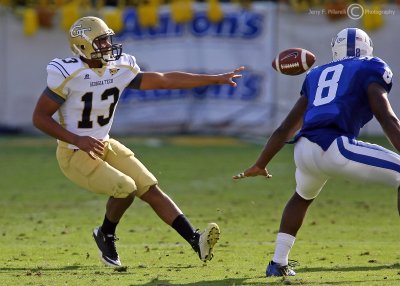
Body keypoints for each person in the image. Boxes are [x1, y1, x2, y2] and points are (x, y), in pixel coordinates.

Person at [32, 16, 244, 267]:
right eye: (101, 41)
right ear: (83, 46)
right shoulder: (69, 72)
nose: (109, 45)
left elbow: (164, 80)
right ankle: (105, 234)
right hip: (74, 151)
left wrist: (212, 79)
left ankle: (195, 240)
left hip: (103, 143)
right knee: (125, 187)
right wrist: (78, 139)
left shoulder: (119, 67)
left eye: (108, 39)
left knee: (148, 186)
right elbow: (39, 118)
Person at [233, 27, 400, 277]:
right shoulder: (371, 66)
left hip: (303, 150)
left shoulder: (316, 74)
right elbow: (386, 117)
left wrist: (260, 163)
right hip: (334, 146)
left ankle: (278, 263)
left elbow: (285, 128)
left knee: (302, 196)